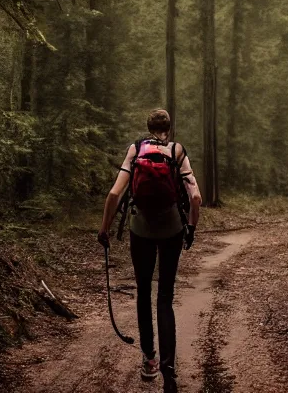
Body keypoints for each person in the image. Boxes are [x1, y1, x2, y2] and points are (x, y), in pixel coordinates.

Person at [98, 109, 202, 393]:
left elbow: (114, 194)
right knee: (165, 297)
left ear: (148, 127)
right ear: (169, 128)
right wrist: (190, 227)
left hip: (140, 228)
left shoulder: (136, 149)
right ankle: (169, 369)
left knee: (144, 292)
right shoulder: (177, 151)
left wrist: (104, 229)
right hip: (171, 229)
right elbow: (195, 196)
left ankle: (149, 360)